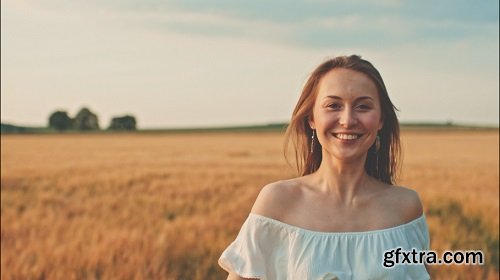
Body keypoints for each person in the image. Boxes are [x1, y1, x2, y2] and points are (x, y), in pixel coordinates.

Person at [218, 55, 430, 279]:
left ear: (380, 121)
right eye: (333, 105)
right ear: (312, 118)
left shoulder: (406, 208)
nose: (347, 120)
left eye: (363, 106)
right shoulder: (277, 202)